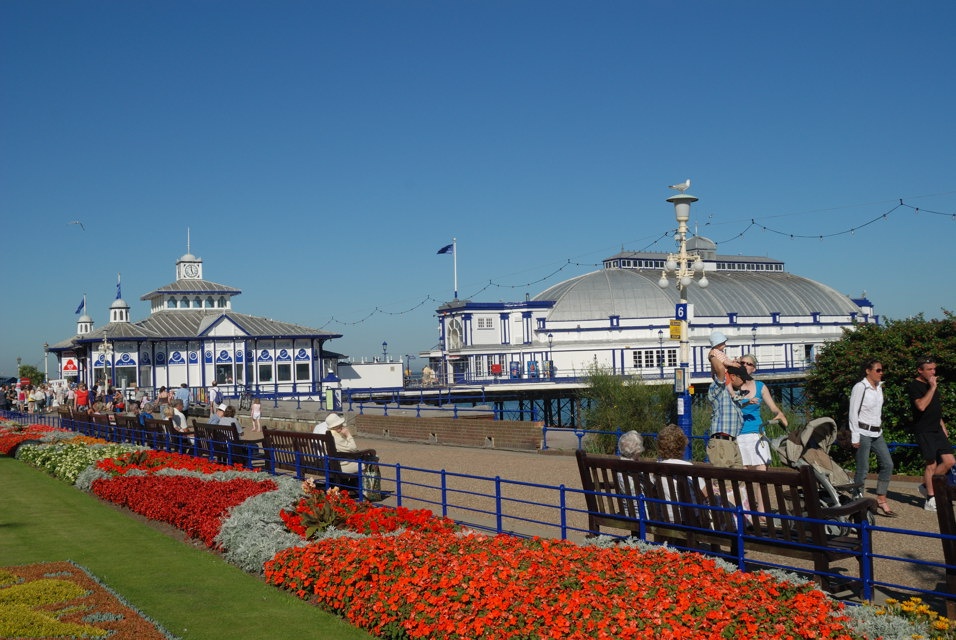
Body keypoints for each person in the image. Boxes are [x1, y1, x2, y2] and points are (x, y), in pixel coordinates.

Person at [849, 359, 896, 517]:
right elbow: (853, 412)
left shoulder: (879, 387)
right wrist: (855, 436)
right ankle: (857, 502)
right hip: (862, 432)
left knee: (888, 464)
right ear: (868, 371)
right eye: (878, 370)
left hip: (877, 432)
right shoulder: (860, 387)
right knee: (863, 469)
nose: (881, 373)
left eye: (882, 370)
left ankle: (881, 498)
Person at [908, 356, 952, 512]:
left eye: (934, 369)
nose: (933, 372)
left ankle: (927, 486)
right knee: (931, 464)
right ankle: (930, 499)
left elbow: (935, 408)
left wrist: (943, 426)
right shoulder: (915, 386)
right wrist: (932, 388)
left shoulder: (931, 384)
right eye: (929, 369)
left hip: (937, 429)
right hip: (924, 430)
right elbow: (921, 406)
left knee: (949, 461)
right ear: (920, 370)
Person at [736, 355, 788, 472]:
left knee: (762, 470)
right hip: (738, 434)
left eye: (749, 364)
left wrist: (780, 414)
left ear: (754, 369)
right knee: (742, 473)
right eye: (743, 363)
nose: (745, 365)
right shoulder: (733, 386)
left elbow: (773, 407)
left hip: (756, 432)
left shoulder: (760, 386)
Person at [706, 366, 747, 468]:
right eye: (743, 379)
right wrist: (715, 354)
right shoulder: (720, 391)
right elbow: (718, 368)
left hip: (732, 441)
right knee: (724, 481)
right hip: (722, 441)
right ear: (732, 377)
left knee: (739, 479)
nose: (744, 382)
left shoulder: (734, 395)